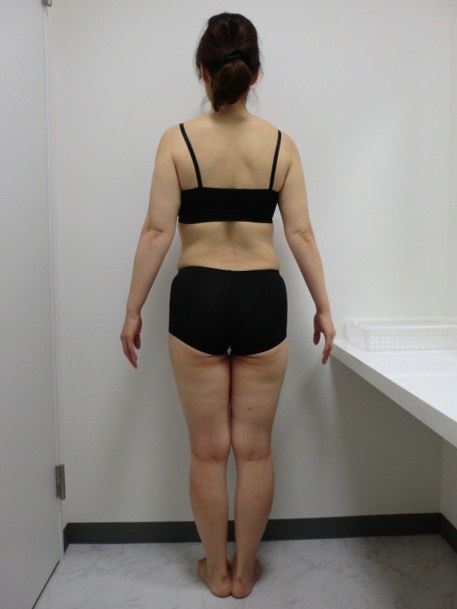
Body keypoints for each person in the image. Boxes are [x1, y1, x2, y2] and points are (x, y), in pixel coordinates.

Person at [120, 12, 336, 599]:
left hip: (198, 299)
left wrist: (133, 310)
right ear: (255, 73)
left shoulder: (178, 142)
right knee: (255, 451)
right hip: (262, 298)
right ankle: (245, 572)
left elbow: (157, 231)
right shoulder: (281, 146)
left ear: (203, 71)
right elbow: (300, 235)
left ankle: (215, 571)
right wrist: (323, 306)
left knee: (208, 451)